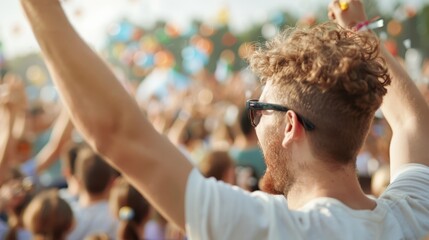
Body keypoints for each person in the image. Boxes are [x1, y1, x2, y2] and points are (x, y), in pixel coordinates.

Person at [20, 0, 429, 239]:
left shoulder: (278, 230)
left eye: (258, 110)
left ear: (290, 125)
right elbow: (411, 122)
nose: (252, 122)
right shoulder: (412, 213)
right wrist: (358, 32)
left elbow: (117, 135)